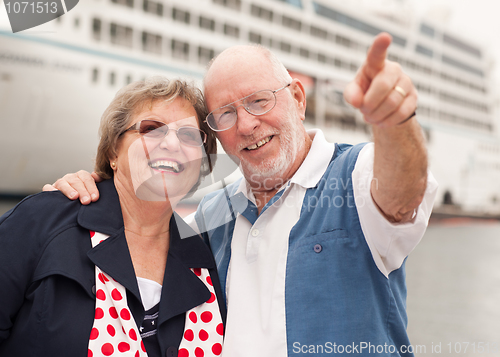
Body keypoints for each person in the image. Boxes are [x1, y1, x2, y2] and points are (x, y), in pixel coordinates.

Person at [44, 33, 438, 356]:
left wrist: (394, 123)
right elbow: (140, 242)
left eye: (259, 101)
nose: (247, 125)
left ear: (298, 100)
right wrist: (91, 190)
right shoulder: (212, 211)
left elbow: (401, 196)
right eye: (226, 115)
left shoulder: (353, 176)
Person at [0, 78, 226, 357]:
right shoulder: (43, 222)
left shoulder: (207, 259)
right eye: (151, 129)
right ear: (112, 152)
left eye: (190, 136)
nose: (172, 143)